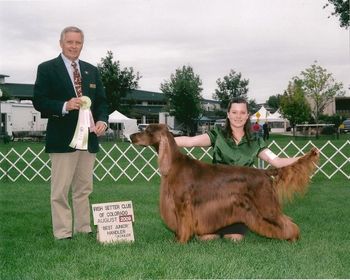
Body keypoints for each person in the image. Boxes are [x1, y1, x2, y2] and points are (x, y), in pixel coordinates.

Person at [175, 97, 301, 242]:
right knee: (207, 238)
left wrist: (303, 158)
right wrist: (163, 138)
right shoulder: (217, 135)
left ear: (247, 116)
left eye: (242, 113)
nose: (238, 116)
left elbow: (277, 161)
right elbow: (190, 141)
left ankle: (288, 231)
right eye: (234, 112)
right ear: (228, 114)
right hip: (214, 200)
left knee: (234, 238)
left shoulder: (255, 140)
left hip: (240, 202)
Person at [33, 26, 108, 240]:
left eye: (78, 43)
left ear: (82, 45)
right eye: (70, 42)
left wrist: (102, 120)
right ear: (61, 43)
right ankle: (63, 232)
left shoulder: (92, 70)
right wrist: (65, 105)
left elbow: (102, 102)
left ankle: (83, 228)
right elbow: (39, 102)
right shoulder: (47, 68)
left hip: (89, 138)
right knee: (60, 190)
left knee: (84, 188)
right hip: (62, 138)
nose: (74, 46)